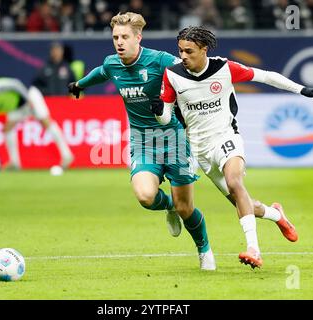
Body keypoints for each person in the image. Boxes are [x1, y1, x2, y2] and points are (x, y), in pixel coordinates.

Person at [154, 26, 313, 268]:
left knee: (236, 182)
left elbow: (266, 76)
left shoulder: (224, 68)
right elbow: (164, 116)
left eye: (189, 51)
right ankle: (277, 214)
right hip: (200, 150)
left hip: (226, 137)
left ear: (204, 49)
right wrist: (159, 111)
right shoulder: (172, 75)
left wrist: (302, 89)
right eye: (180, 50)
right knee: (242, 202)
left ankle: (254, 250)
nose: (183, 56)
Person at [68, 12, 216, 270]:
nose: (119, 42)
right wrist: (79, 84)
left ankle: (204, 249)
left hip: (175, 140)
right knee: (146, 196)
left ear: (138, 37)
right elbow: (101, 73)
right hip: (143, 141)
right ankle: (167, 205)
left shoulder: (160, 61)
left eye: (125, 37)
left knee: (186, 208)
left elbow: (190, 72)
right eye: (115, 37)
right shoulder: (113, 64)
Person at [0, 77, 73, 170]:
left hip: (29, 95)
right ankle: (15, 163)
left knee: (46, 122)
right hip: (17, 107)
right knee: (7, 129)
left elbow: (14, 84)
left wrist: (27, 98)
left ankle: (67, 155)